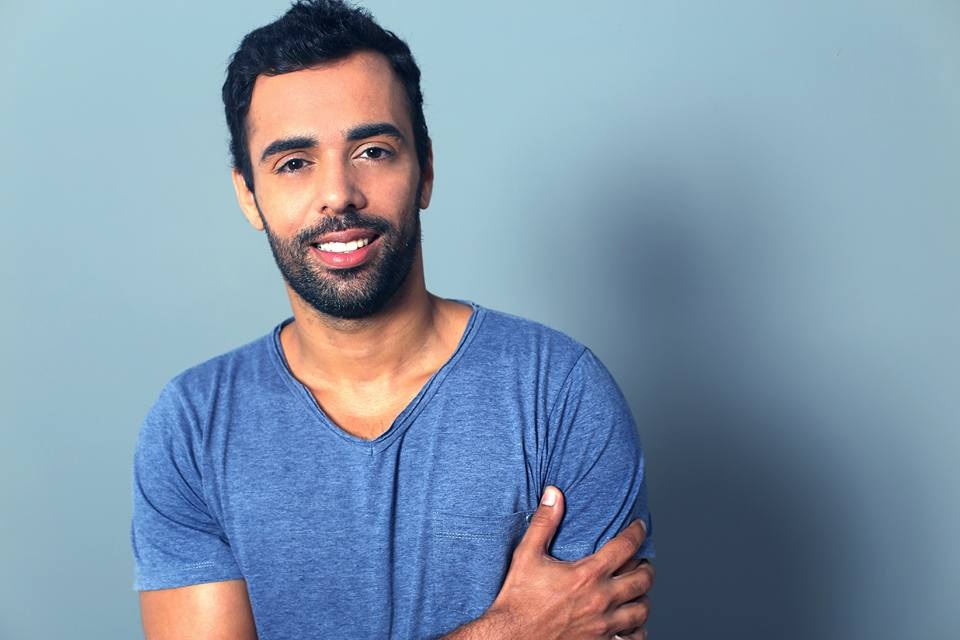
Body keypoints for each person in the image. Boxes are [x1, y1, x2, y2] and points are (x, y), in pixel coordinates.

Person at [131, 1, 656, 638]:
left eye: (373, 151)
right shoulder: (193, 426)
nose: (339, 193)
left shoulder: (560, 392)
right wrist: (508, 631)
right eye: (294, 162)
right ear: (248, 194)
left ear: (425, 170)